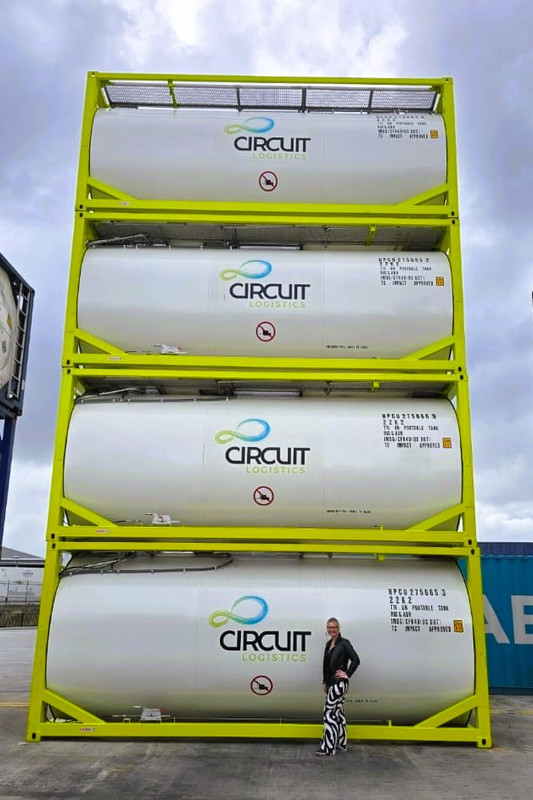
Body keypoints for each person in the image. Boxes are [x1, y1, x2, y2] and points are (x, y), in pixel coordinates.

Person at [316, 617, 360, 756]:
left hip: (339, 684)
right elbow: (326, 666)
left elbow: (356, 660)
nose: (331, 629)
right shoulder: (328, 643)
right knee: (338, 713)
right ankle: (341, 744)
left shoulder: (344, 643)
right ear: (327, 629)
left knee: (328, 713)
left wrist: (347, 673)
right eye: (329, 627)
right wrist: (325, 682)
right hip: (331, 683)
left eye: (334, 627)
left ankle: (328, 748)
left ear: (339, 628)